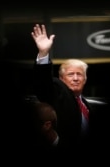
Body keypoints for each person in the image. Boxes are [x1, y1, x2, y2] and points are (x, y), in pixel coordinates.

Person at [31, 24, 97, 153]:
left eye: (79, 74)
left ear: (85, 79)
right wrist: (43, 53)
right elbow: (43, 85)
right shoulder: (58, 92)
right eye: (70, 74)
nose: (76, 78)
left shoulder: (88, 106)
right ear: (61, 78)